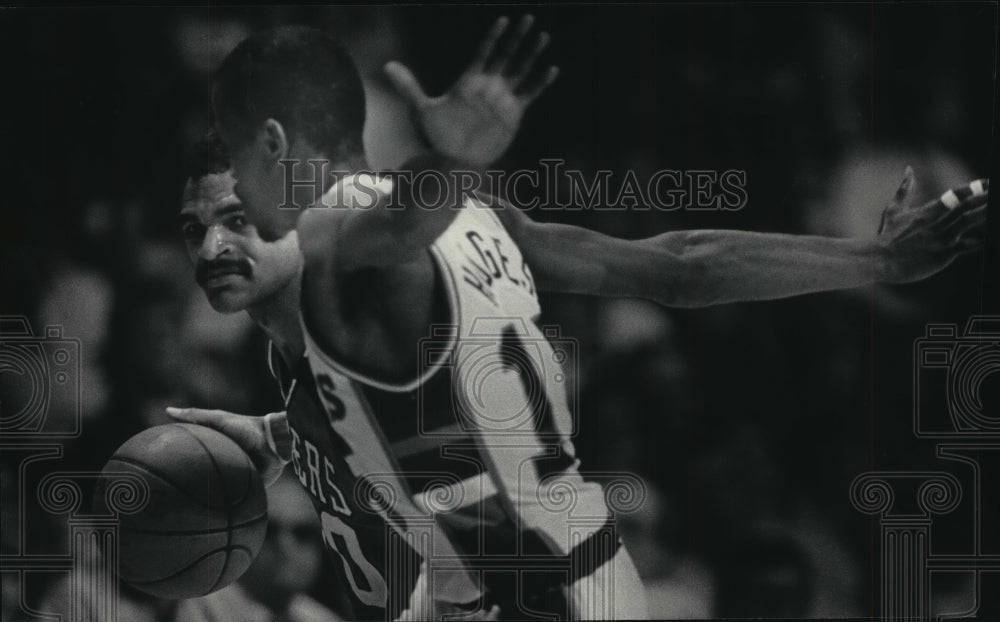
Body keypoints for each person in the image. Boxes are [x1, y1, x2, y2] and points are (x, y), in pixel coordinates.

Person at [168, 18, 989, 621]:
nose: (213, 238)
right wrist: (871, 262)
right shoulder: (476, 223)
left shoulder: (345, 238)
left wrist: (449, 160)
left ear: (272, 143)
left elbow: (392, 229)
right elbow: (677, 266)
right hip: (542, 567)